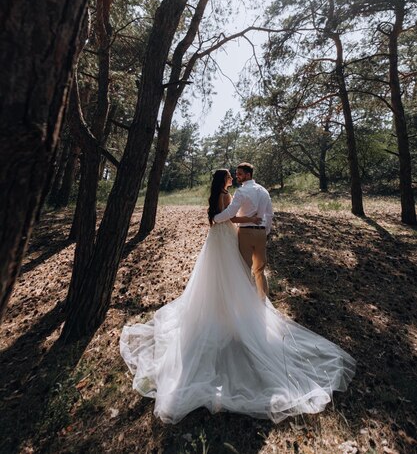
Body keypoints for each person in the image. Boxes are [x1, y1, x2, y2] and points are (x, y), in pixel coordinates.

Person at [120, 168, 356, 424]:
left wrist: (240, 217)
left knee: (225, 275)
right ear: (225, 180)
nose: (233, 177)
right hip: (225, 237)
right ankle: (234, 310)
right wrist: (252, 218)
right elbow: (228, 218)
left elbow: (221, 216)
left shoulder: (225, 193)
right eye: (230, 176)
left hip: (219, 239)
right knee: (232, 274)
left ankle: (225, 309)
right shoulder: (227, 194)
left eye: (236, 175)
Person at [213, 162, 273, 300]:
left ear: (248, 175)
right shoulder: (264, 191)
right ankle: (263, 301)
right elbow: (269, 215)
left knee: (244, 269)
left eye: (240, 174)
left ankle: (246, 302)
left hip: (246, 233)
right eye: (236, 174)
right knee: (260, 270)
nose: (237, 176)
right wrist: (266, 231)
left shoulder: (241, 191)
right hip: (261, 233)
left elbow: (230, 213)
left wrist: (216, 218)